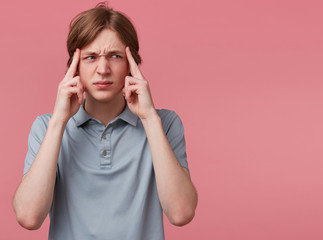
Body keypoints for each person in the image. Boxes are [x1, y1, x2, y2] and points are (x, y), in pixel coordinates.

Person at [13, 3, 197, 240]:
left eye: (115, 56)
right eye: (90, 57)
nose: (103, 69)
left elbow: (181, 213)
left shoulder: (165, 123)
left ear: (132, 64)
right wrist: (59, 121)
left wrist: (150, 118)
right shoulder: (46, 126)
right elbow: (28, 217)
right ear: (74, 66)